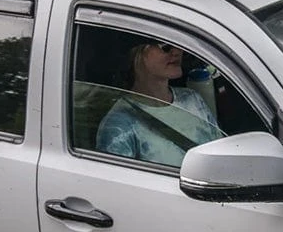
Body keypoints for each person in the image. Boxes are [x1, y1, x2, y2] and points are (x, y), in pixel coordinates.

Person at [95, 39, 222, 167]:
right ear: (137, 53)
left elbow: (221, 153)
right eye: (165, 45)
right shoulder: (119, 125)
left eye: (179, 43)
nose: (177, 51)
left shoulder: (192, 98)